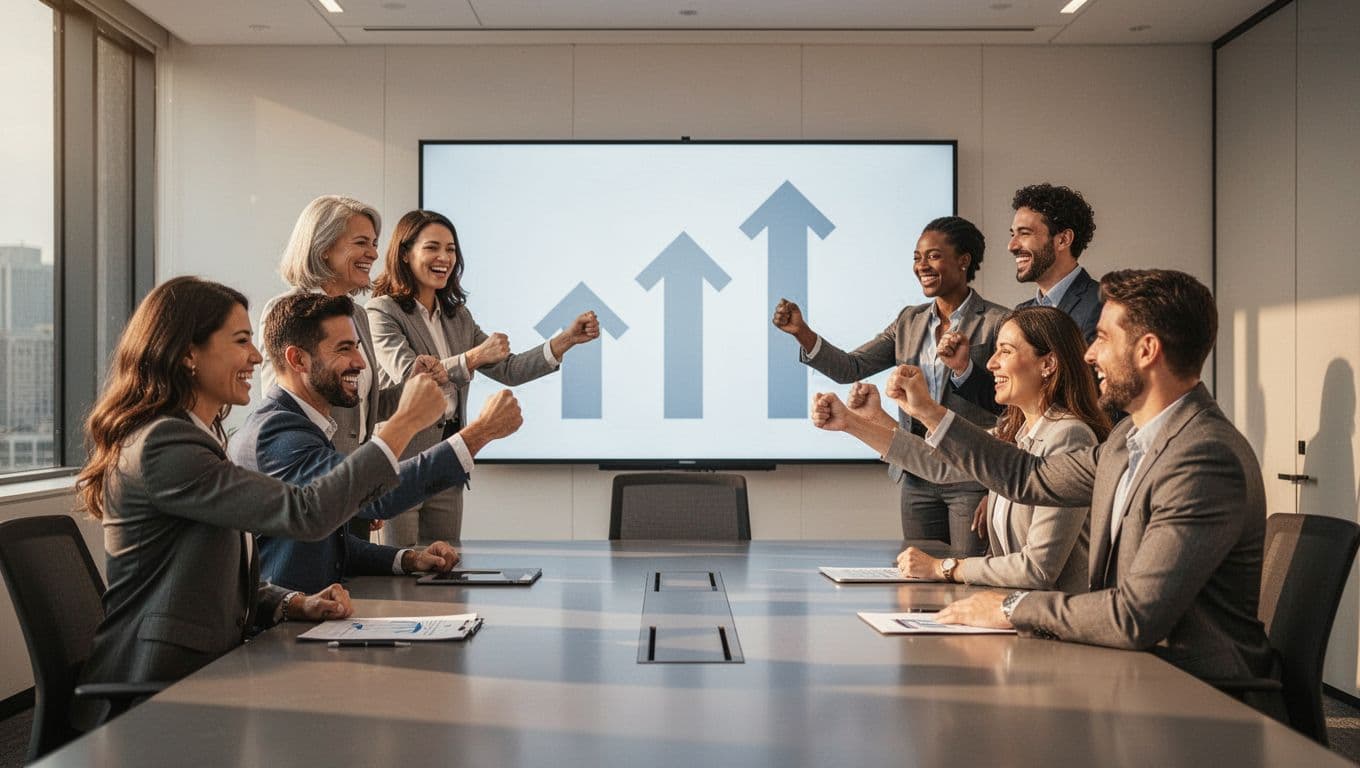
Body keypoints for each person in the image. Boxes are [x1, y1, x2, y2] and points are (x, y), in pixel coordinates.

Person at [881, 269, 1271, 682]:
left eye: (1102, 338)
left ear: (1147, 350)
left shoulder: (1203, 457)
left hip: (1194, 692)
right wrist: (928, 412)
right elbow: (1027, 476)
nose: (1088, 354)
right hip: (1130, 669)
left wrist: (1010, 608)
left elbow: (1134, 615)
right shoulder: (1126, 440)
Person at [75, 277, 447, 687]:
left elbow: (212, 577)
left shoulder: (194, 437)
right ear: (188, 354)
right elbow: (306, 513)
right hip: (164, 681)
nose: (255, 357)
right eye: (240, 341)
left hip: (210, 663)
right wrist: (404, 423)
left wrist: (291, 603)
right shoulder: (165, 445)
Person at [230, 292, 526, 594]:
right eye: (344, 349)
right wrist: (478, 434)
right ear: (298, 359)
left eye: (357, 348)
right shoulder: (277, 433)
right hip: (282, 630)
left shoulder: (306, 425)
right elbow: (374, 495)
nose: (359, 362)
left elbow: (331, 547)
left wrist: (407, 558)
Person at [812, 306, 1110, 593]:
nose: (991, 363)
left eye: (1005, 351)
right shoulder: (1016, 431)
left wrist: (946, 567)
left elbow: (1038, 570)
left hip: (1053, 630)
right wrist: (850, 422)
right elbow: (938, 463)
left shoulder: (1069, 436)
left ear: (1048, 363)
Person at [773, 216, 1007, 553]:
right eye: (917, 257)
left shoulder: (999, 322)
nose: (922, 266)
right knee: (917, 584)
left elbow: (1009, 407)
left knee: (967, 582)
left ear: (964, 260)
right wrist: (802, 332)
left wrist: (997, 490)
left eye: (933, 256)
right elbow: (851, 367)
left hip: (970, 481)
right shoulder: (908, 321)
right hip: (916, 478)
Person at [366, 209, 599, 545]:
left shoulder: (457, 316)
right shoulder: (382, 311)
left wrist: (566, 339)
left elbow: (509, 370)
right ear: (405, 253)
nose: (444, 257)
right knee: (397, 570)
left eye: (451, 249)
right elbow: (410, 375)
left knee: (444, 567)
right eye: (433, 247)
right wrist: (474, 357)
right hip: (400, 464)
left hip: (449, 457)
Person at [260, 196, 443, 539]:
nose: (374, 253)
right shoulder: (286, 312)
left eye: (374, 243)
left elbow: (363, 409)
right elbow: (283, 409)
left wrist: (411, 386)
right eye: (361, 243)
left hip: (354, 488)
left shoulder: (357, 315)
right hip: (315, 489)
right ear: (324, 247)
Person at [1009, 183, 1102, 343]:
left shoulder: (1102, 305)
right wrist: (964, 367)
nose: (1011, 246)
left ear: (1063, 240)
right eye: (1013, 234)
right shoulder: (1020, 312)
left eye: (1024, 233)